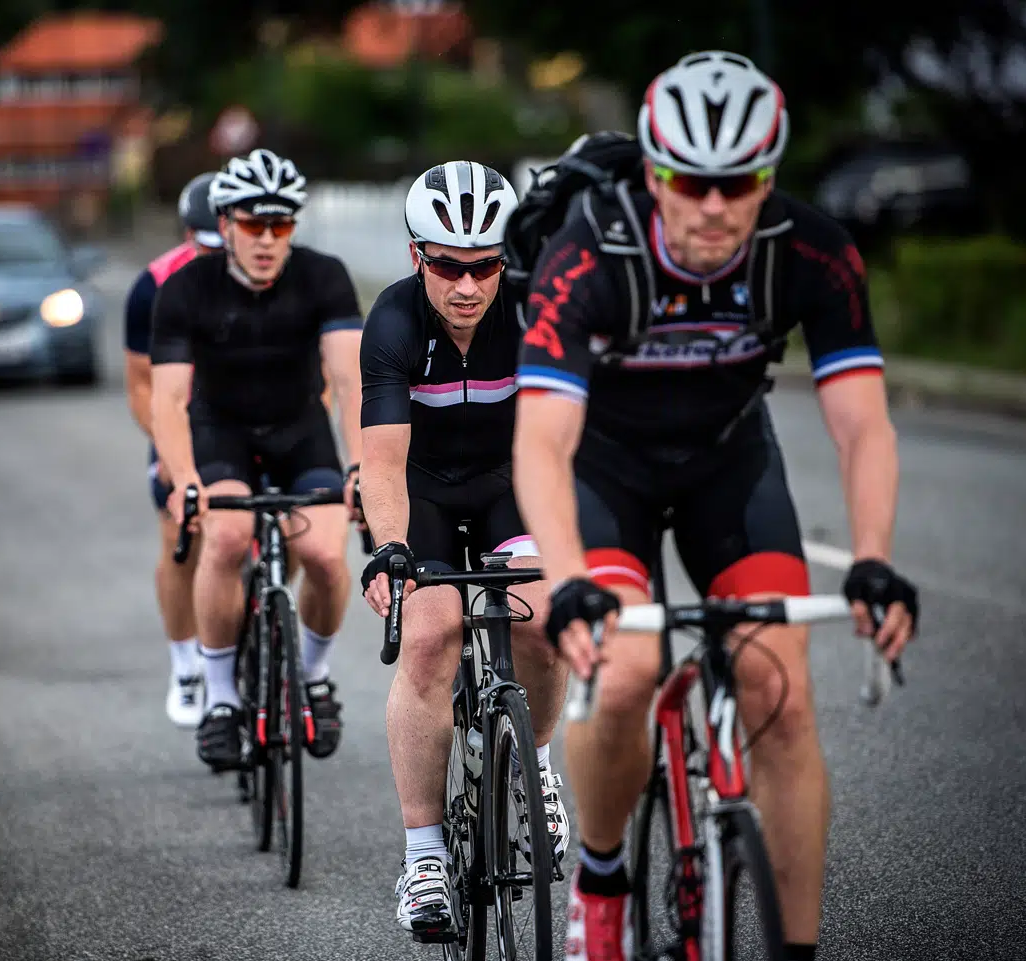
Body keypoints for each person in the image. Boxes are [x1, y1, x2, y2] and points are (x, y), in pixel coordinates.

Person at [511, 52, 920, 961]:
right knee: (622, 670)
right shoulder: (590, 254)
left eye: (736, 182)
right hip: (605, 471)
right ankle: (603, 876)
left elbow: (864, 428)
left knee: (780, 689)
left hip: (727, 468)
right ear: (655, 173)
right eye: (687, 180)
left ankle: (794, 947)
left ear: (767, 178)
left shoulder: (810, 250)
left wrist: (873, 557)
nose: (710, 205)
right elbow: (541, 442)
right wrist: (571, 580)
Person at [358, 161, 571, 943]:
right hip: (425, 497)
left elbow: (565, 436)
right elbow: (381, 464)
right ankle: (422, 857)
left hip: (511, 483)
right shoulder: (391, 322)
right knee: (429, 638)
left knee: (545, 616)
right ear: (419, 256)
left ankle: (538, 765)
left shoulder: (536, 312)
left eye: (485, 264)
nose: (467, 284)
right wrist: (388, 547)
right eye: (447, 264)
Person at [150, 148, 364, 769]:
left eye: (282, 226)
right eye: (252, 225)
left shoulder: (324, 276)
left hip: (300, 431)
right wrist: (185, 478)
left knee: (325, 554)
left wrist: (360, 468)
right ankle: (219, 700)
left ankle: (315, 677)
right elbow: (167, 398)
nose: (267, 240)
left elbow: (348, 380)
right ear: (224, 224)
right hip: (220, 434)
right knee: (225, 539)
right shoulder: (186, 288)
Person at [124, 172, 222, 728]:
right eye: (205, 246)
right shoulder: (154, 285)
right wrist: (167, 449)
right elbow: (140, 383)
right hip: (179, 420)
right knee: (179, 536)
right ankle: (186, 662)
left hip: (251, 420)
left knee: (290, 527)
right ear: (189, 234)